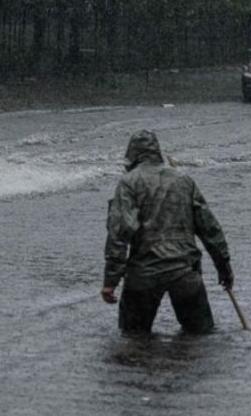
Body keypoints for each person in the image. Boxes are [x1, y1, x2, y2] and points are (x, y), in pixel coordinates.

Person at [100, 129, 233, 334]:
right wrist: (224, 268)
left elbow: (119, 233)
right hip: (185, 272)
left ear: (131, 154)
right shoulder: (184, 181)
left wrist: (110, 281)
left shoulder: (128, 183)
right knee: (201, 340)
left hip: (143, 274)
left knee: (132, 340)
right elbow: (210, 229)